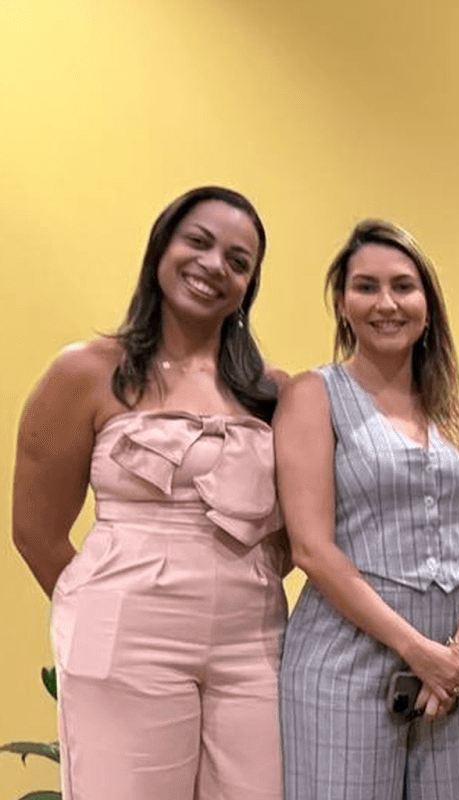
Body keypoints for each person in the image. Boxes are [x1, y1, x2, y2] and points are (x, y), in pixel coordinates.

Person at [12, 186, 287, 799]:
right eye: (199, 242)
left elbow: (299, 532)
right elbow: (35, 531)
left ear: (249, 285)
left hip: (255, 647)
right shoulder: (84, 372)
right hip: (124, 635)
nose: (215, 265)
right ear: (161, 247)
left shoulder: (273, 392)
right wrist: (104, 604)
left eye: (238, 261)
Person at [274, 219, 459, 799]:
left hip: (458, 673)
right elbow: (310, 547)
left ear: (428, 303)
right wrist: (416, 651)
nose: (387, 303)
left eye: (403, 286)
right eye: (366, 287)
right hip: (346, 660)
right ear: (341, 303)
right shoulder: (313, 395)